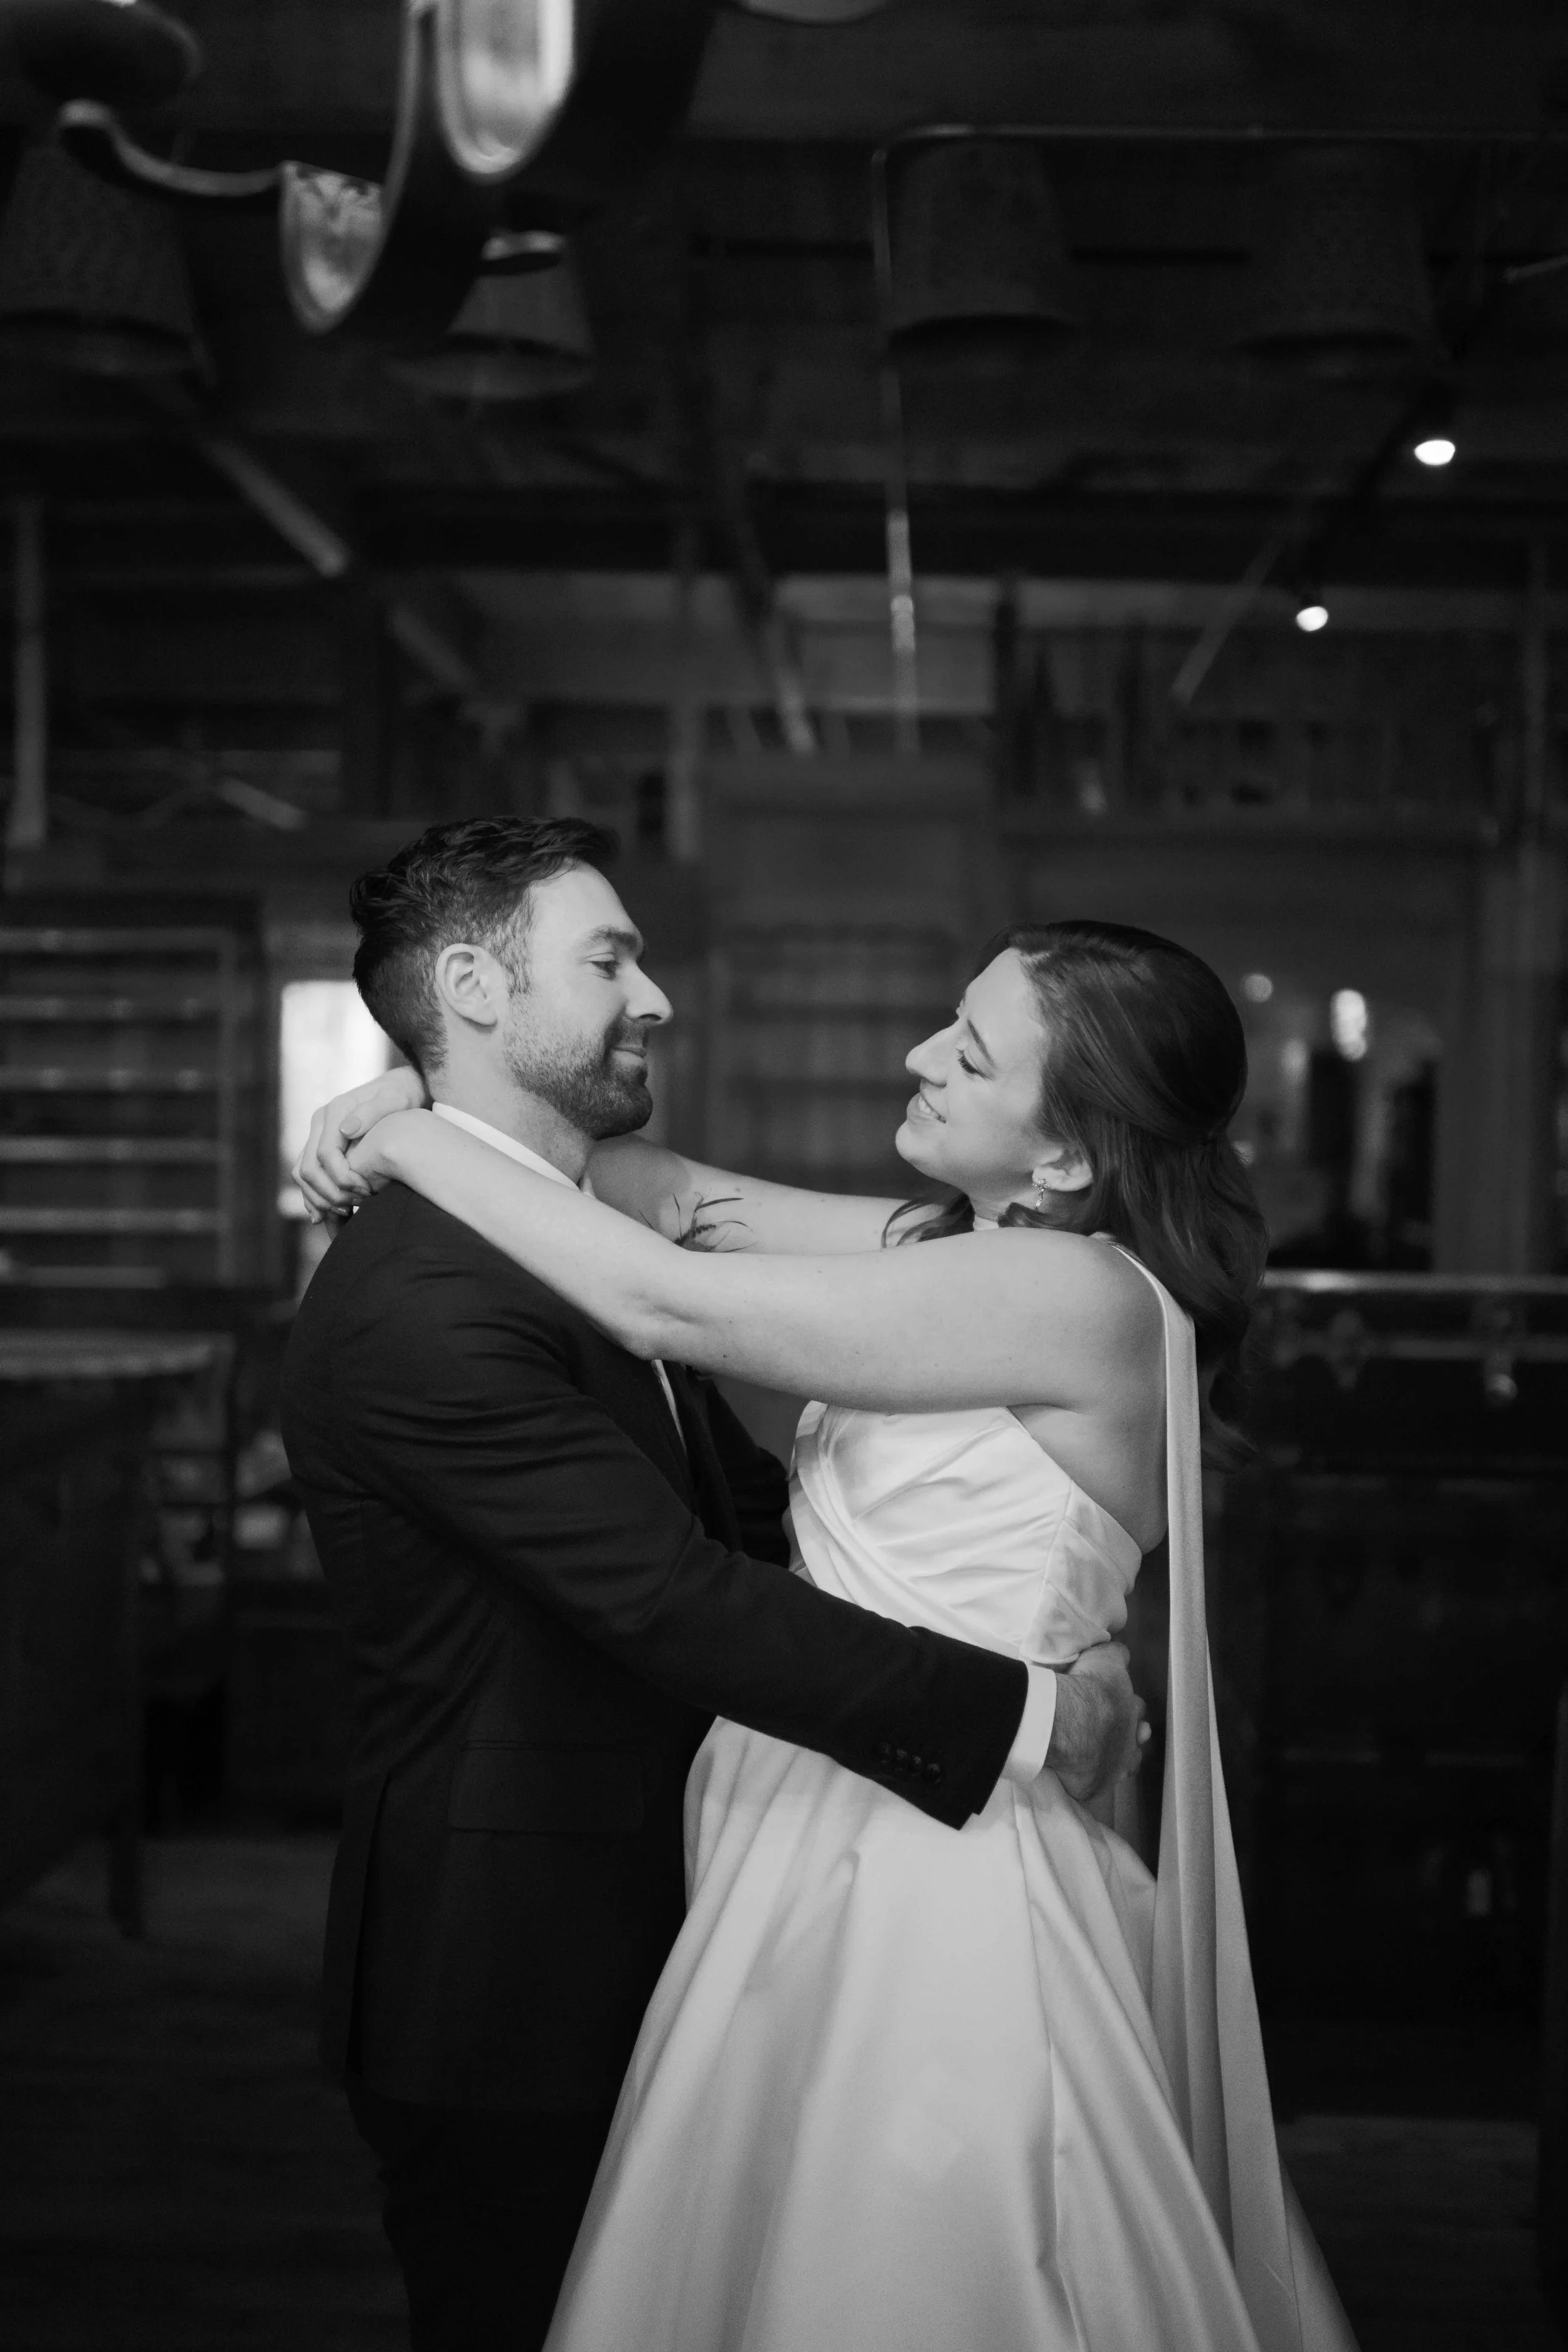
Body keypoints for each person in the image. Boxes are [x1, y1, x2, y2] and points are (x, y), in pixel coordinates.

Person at [300, 898, 1361, 2352]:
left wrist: (403, 1142)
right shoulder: (946, 1244)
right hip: (806, 1808)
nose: (920, 1053)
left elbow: (667, 1297)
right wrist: (422, 1084)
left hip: (936, 1852)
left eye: (970, 1053)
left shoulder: (1069, 1294)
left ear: (1062, 1152)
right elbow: (652, 1186)